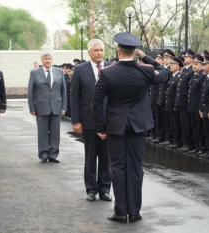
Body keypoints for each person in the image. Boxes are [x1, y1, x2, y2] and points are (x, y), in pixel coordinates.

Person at [92, 32, 166, 223]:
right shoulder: (146, 70)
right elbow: (164, 73)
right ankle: (134, 212)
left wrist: (99, 126)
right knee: (135, 166)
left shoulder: (107, 72)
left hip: (115, 125)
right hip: (139, 125)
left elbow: (97, 100)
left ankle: (120, 211)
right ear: (135, 52)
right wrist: (146, 58)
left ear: (118, 52)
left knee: (117, 167)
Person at [70, 39, 112, 202]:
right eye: (96, 50)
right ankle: (91, 189)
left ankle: (105, 189)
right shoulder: (80, 70)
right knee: (90, 157)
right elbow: (74, 97)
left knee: (106, 157)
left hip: (108, 120)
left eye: (101, 50)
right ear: (89, 52)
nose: (100, 53)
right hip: (88, 121)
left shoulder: (111, 67)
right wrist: (76, 121)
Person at [27, 53, 67, 163]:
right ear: (42, 60)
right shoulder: (35, 72)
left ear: (52, 60)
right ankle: (43, 154)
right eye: (45, 59)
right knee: (42, 132)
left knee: (55, 132)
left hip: (56, 106)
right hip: (41, 106)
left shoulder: (59, 72)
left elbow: (63, 90)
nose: (48, 61)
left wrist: (64, 107)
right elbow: (30, 91)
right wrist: (32, 107)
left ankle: (53, 154)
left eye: (49, 59)